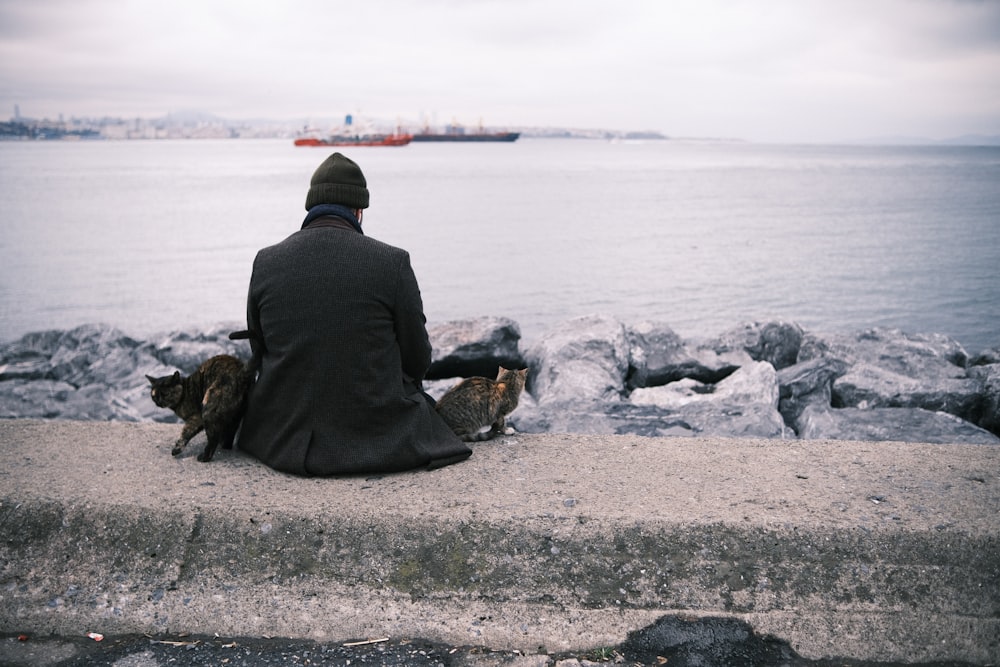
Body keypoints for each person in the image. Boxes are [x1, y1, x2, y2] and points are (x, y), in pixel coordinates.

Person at [236, 152, 472, 475]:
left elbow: (259, 351)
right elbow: (418, 360)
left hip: (281, 438)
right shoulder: (392, 262)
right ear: (359, 211)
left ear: (311, 206)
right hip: (379, 439)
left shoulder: (266, 261)